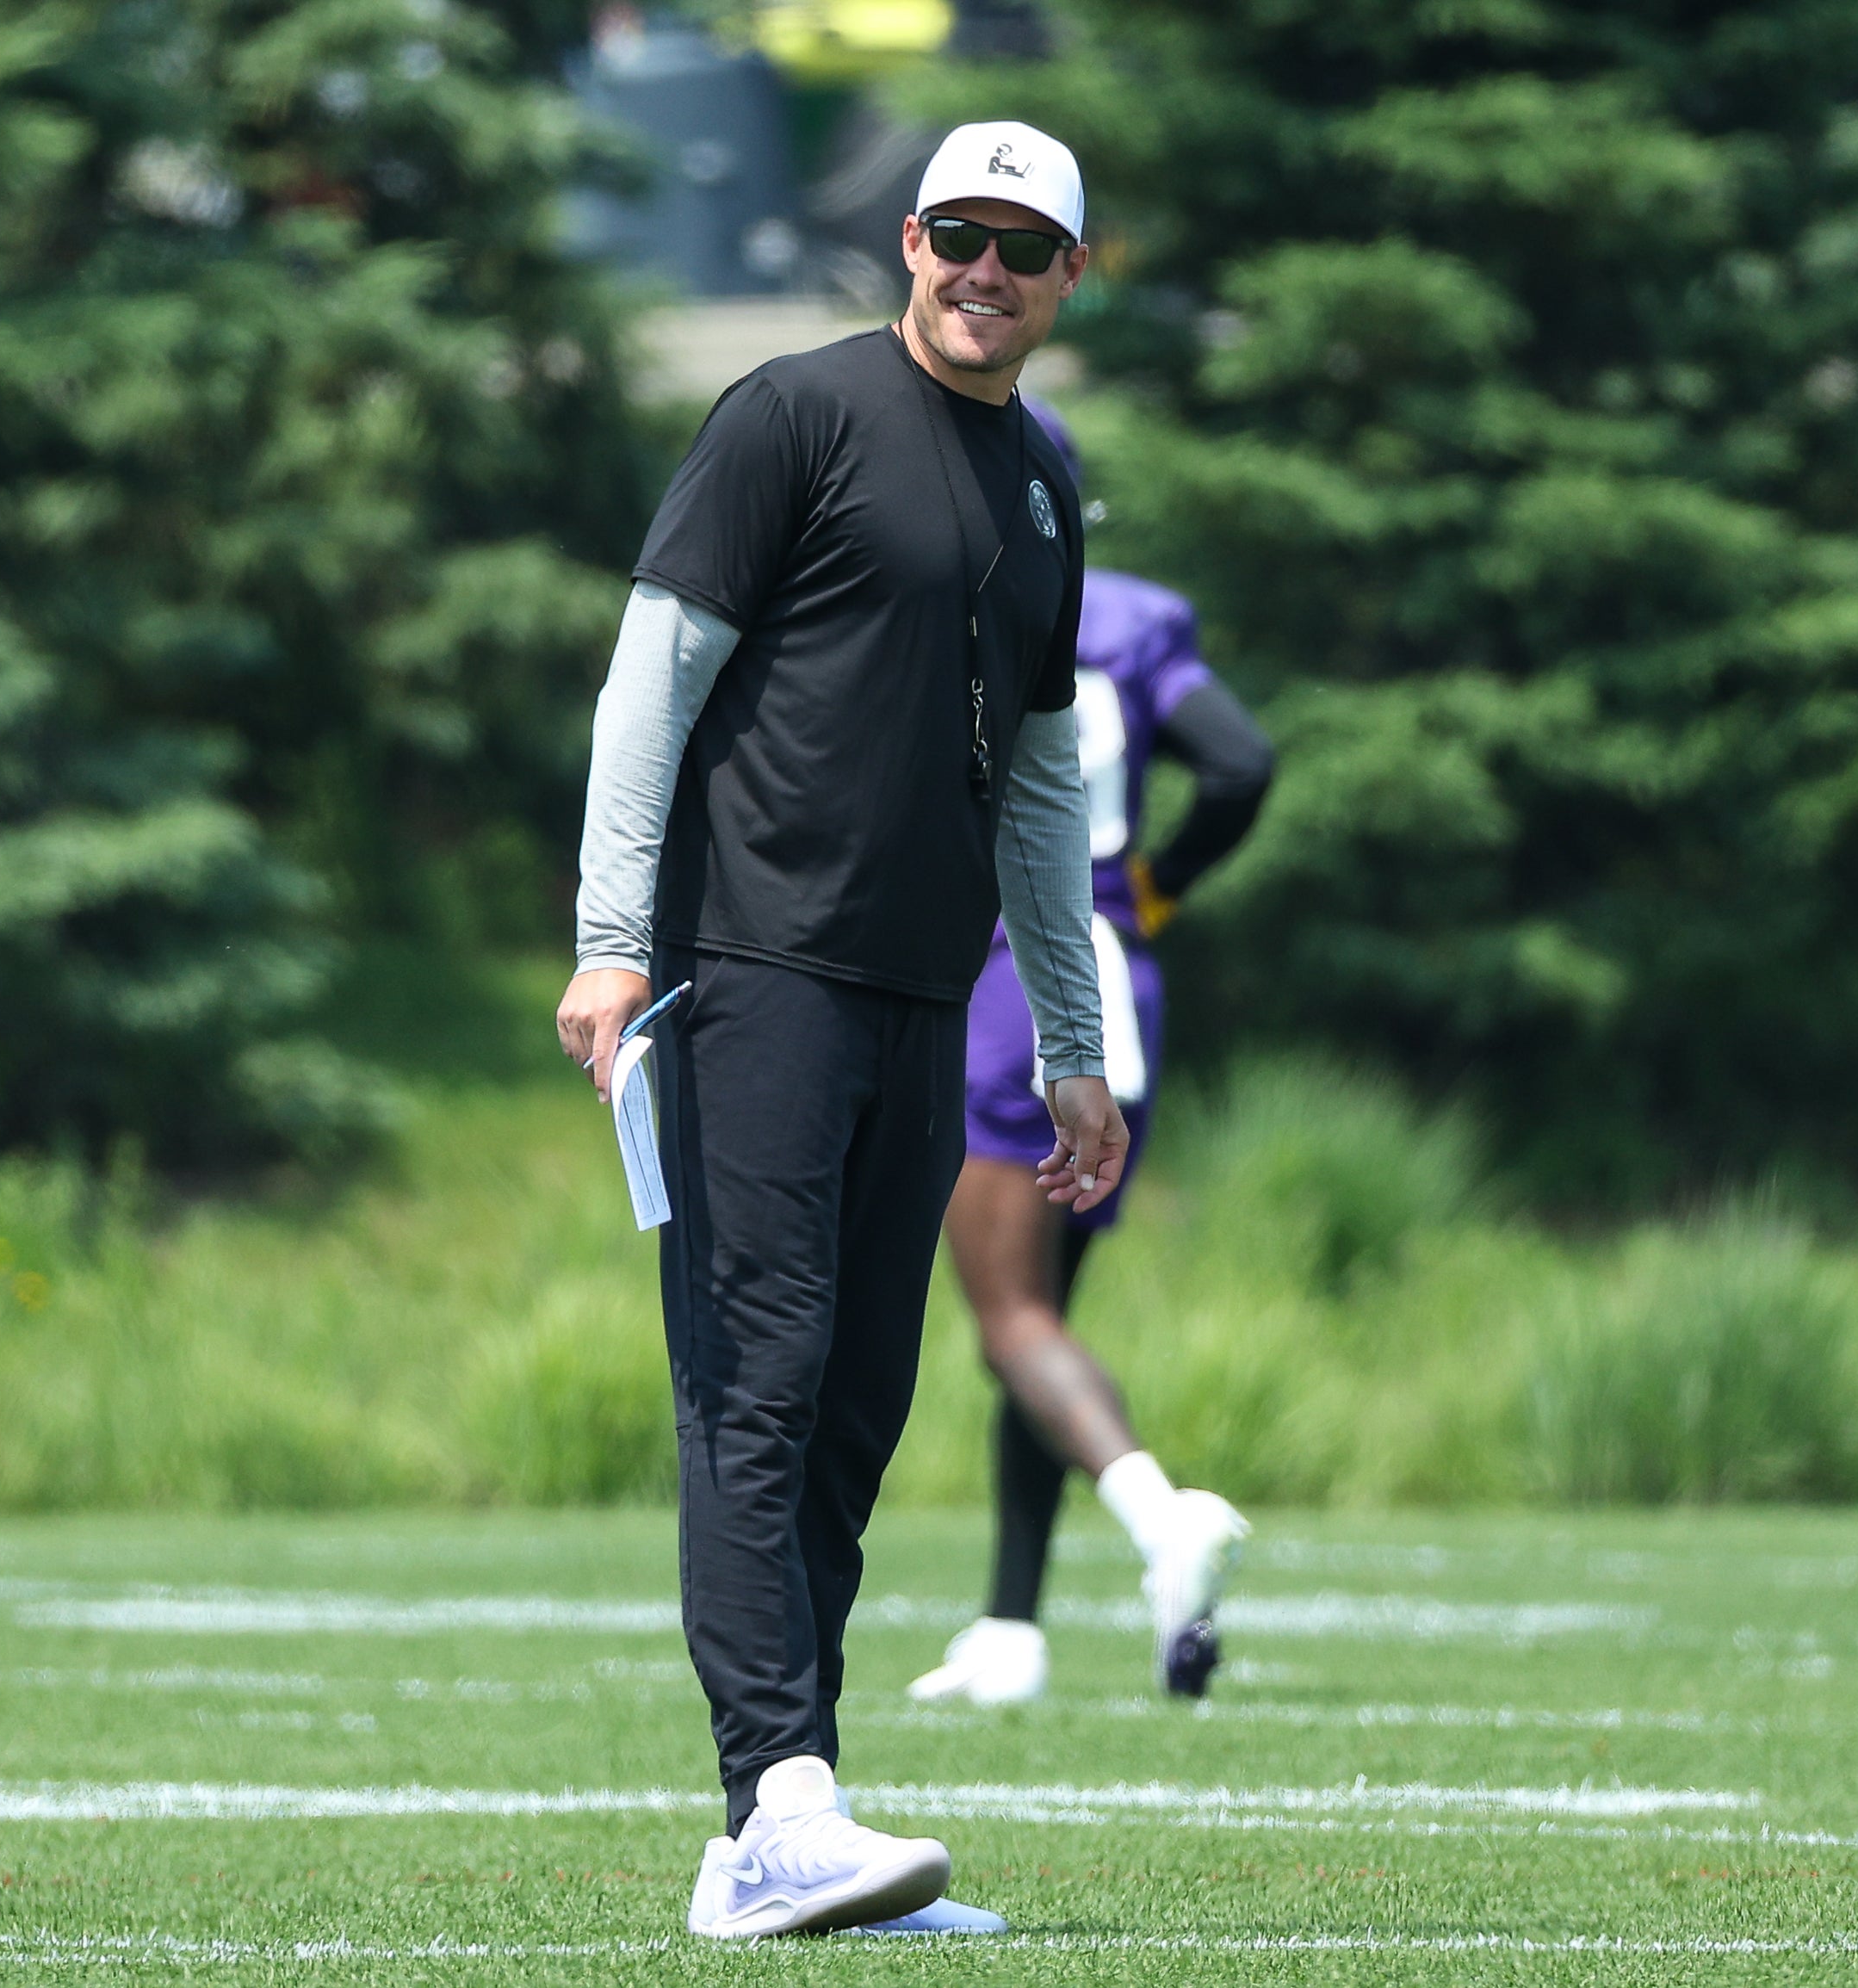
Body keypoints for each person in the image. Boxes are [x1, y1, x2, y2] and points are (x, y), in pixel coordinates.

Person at [555, 120, 1118, 1941]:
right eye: (958, 231)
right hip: (753, 973)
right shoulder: (788, 415)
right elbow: (656, 673)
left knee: (859, 1407)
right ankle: (779, 1801)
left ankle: (775, 1837)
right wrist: (610, 941)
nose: (984, 268)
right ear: (907, 238)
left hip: (912, 1000)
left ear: (1064, 280)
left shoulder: (1042, 482)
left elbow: (1039, 786)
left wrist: (1070, 1037)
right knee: (761, 1380)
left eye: (1020, 247)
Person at [907, 404, 1276, 1709]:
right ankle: (1010, 1626)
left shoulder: (938, 598)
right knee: (1038, 1316)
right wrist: (1156, 889)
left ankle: (1158, 1516)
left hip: (1012, 978)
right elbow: (1238, 764)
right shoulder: (1131, 617)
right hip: (1118, 983)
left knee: (1009, 1316)